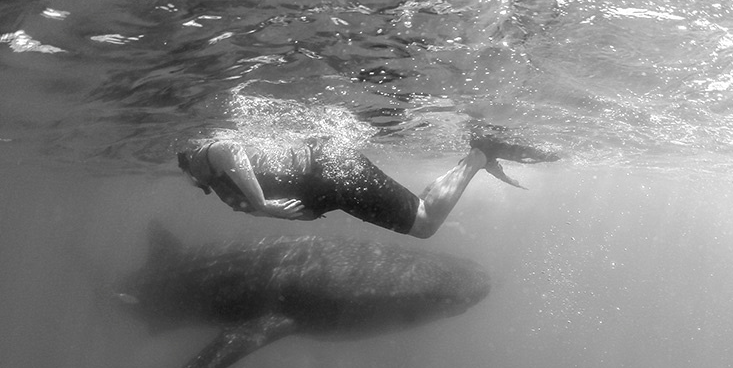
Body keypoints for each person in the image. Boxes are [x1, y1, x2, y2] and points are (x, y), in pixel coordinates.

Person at [177, 128, 558, 238]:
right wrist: (280, 214)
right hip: (333, 182)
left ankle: (478, 156)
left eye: (190, 177)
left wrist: (262, 204)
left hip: (333, 171)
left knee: (423, 224)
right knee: (419, 212)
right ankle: (475, 158)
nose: (194, 185)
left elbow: (230, 150)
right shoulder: (219, 186)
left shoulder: (209, 154)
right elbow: (258, 206)